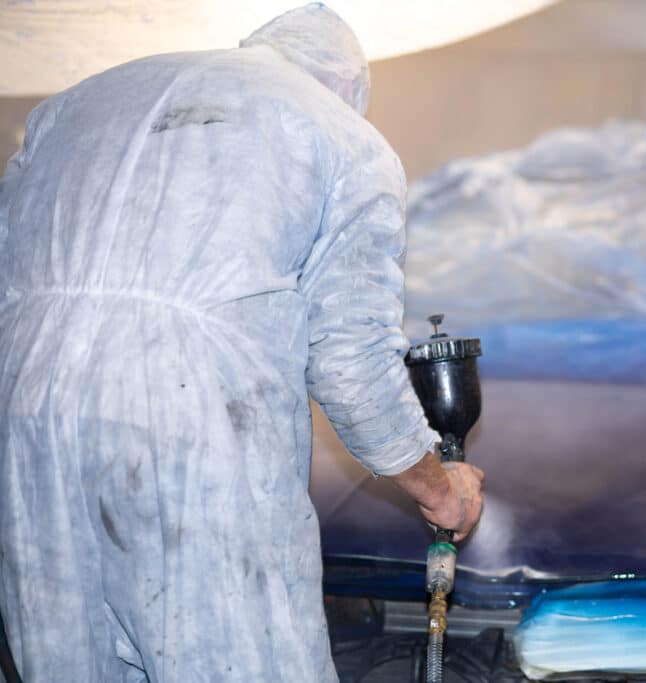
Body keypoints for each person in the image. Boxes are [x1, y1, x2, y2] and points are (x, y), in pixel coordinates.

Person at [0, 4, 484, 682]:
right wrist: (439, 489)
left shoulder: (72, 107)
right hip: (191, 422)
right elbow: (350, 362)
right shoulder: (343, 137)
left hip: (24, 416)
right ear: (350, 86)